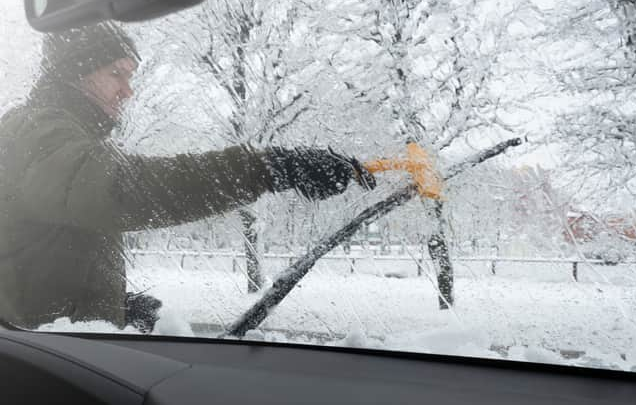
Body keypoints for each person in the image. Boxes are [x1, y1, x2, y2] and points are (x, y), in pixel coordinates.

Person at [0, 23, 375, 333]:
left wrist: (115, 307)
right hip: (39, 366)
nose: (128, 92)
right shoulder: (37, 131)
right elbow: (124, 192)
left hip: (53, 352)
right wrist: (266, 169)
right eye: (116, 73)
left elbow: (38, 250)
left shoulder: (61, 137)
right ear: (75, 73)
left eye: (130, 77)